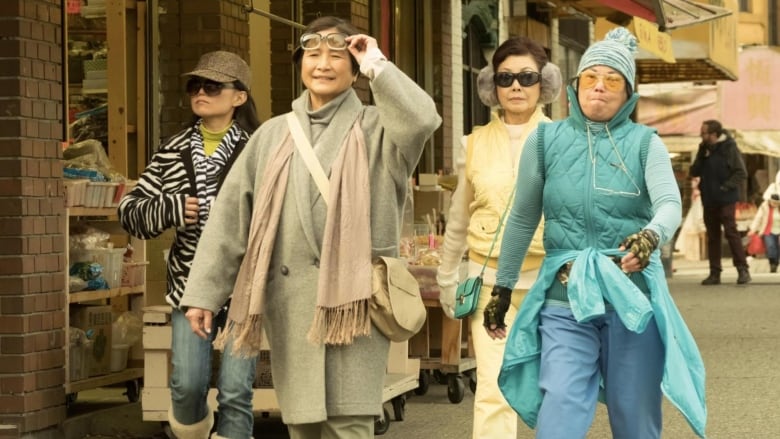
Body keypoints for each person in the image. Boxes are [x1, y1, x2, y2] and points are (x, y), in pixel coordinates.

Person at [179, 16, 441, 438]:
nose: (323, 64)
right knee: (303, 427)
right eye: (313, 54)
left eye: (337, 56)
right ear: (300, 64)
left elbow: (422, 120)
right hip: (296, 306)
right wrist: (204, 295)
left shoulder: (381, 131)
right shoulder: (271, 135)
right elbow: (230, 219)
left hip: (356, 306)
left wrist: (376, 61)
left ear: (355, 71)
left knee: (349, 424)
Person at [483, 28, 707, 438]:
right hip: (564, 297)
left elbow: (670, 205)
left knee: (634, 417)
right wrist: (502, 287)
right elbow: (522, 217)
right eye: (591, 77)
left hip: (631, 297)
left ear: (628, 94)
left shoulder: (645, 144)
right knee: (561, 411)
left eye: (612, 80)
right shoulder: (546, 140)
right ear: (576, 84)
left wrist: (651, 236)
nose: (600, 87)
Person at [118, 51, 261, 439]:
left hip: (244, 285)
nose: (200, 92)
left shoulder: (258, 149)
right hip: (189, 283)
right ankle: (195, 431)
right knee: (187, 386)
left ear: (239, 97)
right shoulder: (172, 150)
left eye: (212, 86)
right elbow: (130, 212)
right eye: (194, 85)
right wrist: (171, 208)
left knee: (235, 390)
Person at [436, 37, 561, 438]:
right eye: (506, 78)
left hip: (551, 285)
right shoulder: (471, 144)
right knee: (494, 390)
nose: (516, 87)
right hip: (490, 286)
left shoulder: (565, 141)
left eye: (527, 77)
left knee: (555, 389)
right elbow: (458, 218)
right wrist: (446, 277)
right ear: (492, 85)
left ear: (545, 83)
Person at [690, 119, 751, 285]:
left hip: (726, 199)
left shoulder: (729, 147)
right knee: (713, 237)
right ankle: (714, 273)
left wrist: (726, 187)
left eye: (704, 133)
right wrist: (702, 157)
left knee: (731, 232)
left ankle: (742, 269)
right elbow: (694, 171)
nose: (701, 136)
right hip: (709, 198)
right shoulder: (703, 149)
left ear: (714, 134)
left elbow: (741, 172)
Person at [747, 179, 780, 272]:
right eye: (773, 202)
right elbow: (758, 218)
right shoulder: (764, 206)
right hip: (768, 231)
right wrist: (753, 229)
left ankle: (776, 262)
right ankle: (772, 264)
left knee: (778, 247)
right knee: (770, 247)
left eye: (776, 203)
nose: (774, 205)